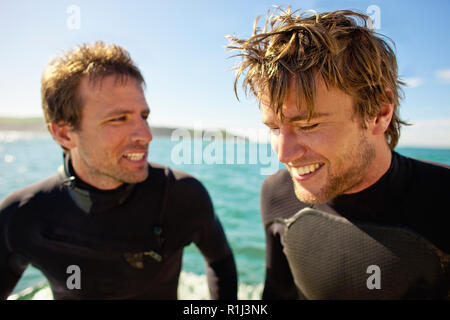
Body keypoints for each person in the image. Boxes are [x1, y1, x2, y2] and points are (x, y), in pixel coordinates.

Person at [227, 7, 450, 299]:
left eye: (307, 125)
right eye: (274, 128)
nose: (283, 154)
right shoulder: (277, 194)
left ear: (379, 112)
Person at [0, 42, 237, 300]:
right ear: (65, 134)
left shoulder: (181, 196)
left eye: (143, 116)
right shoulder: (23, 215)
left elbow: (220, 260)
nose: (146, 136)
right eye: (119, 119)